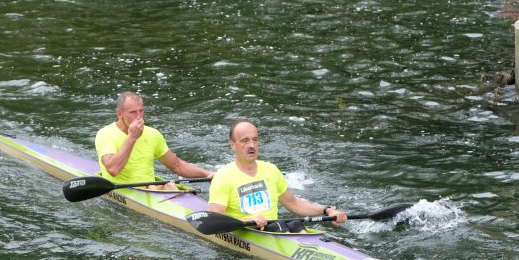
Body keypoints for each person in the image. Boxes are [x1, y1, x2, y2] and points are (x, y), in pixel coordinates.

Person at [208, 119, 347, 231]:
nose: (252, 145)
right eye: (245, 140)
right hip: (246, 232)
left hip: (275, 228)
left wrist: (327, 211)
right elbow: (215, 220)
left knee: (296, 224)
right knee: (281, 226)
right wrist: (247, 220)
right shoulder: (223, 176)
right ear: (233, 145)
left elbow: (293, 203)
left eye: (255, 140)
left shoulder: (271, 170)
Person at [95, 91, 214, 189]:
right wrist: (132, 137)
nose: (139, 117)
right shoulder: (105, 134)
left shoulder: (153, 134)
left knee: (170, 186)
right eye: (133, 112)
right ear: (119, 114)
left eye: (141, 111)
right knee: (153, 187)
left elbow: (177, 165)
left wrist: (207, 174)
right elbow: (113, 169)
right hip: (121, 188)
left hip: (150, 188)